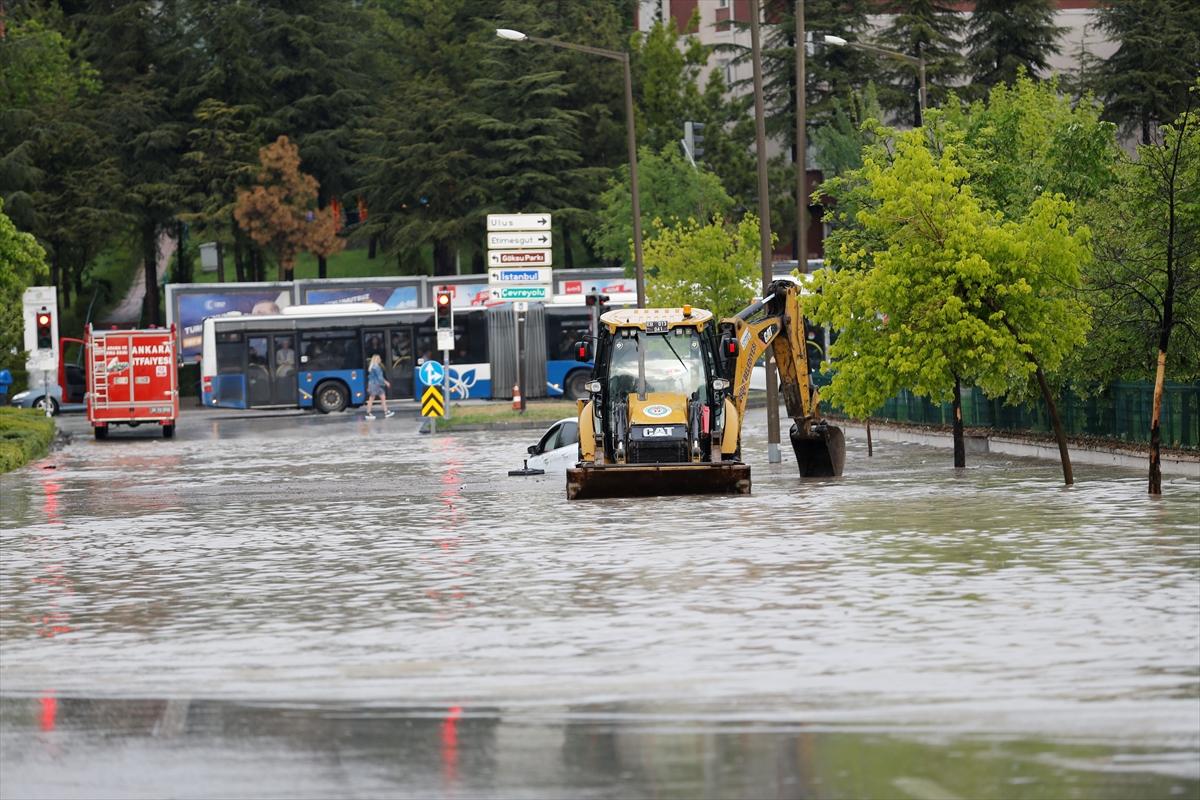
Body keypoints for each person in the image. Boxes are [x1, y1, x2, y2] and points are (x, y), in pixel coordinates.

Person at [364, 354, 394, 420]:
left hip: (375, 384)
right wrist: (386, 382)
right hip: (376, 385)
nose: (380, 360)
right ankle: (368, 413)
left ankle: (386, 412)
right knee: (372, 398)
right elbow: (380, 377)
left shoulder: (372, 367)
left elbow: (370, 377)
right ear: (376, 359)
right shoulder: (376, 367)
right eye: (379, 358)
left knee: (382, 397)